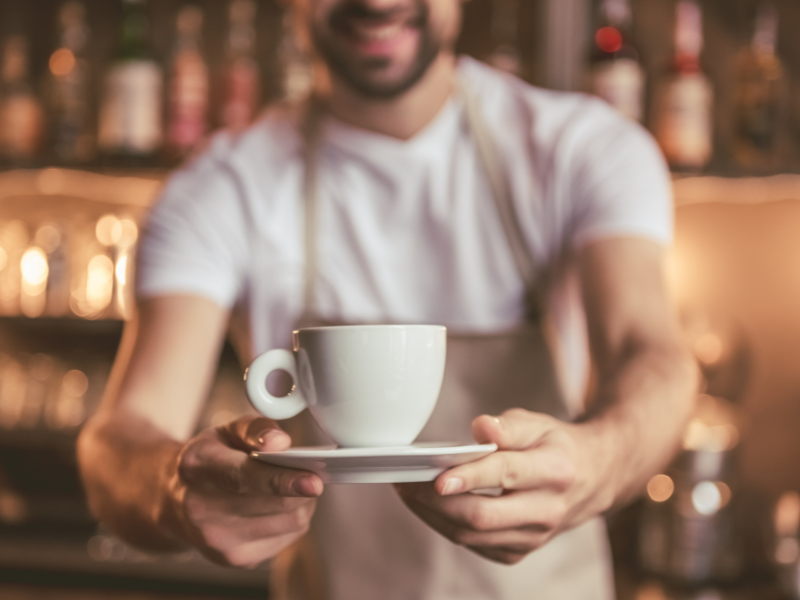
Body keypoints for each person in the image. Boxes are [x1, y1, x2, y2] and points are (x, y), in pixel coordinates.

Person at [77, 0, 697, 598]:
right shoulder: (220, 186)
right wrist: (172, 491)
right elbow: (120, 440)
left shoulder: (583, 148)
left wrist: (600, 461)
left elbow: (652, 356)